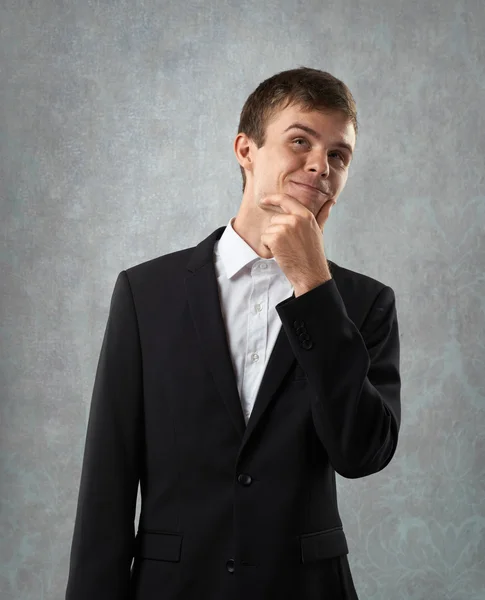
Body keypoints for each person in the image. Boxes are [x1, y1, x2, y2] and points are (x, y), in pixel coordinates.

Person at [65, 66, 401, 600]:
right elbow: (107, 482)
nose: (321, 165)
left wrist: (313, 287)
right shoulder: (145, 293)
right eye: (300, 141)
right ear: (246, 149)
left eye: (339, 155)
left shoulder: (364, 304)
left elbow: (361, 454)